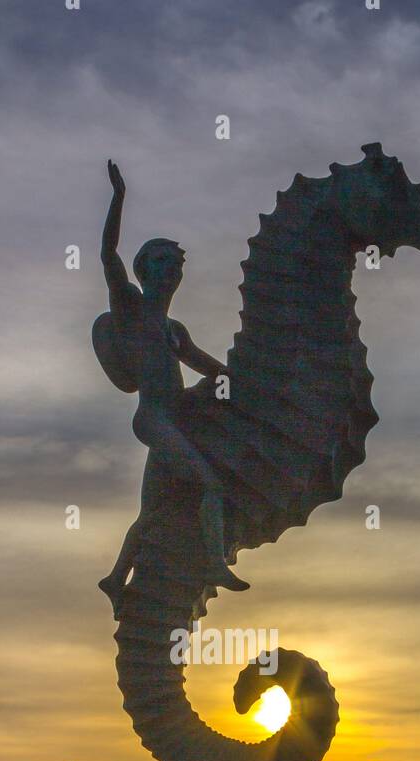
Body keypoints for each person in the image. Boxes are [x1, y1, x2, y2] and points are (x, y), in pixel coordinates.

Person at [94, 160, 248, 606]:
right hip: (154, 419)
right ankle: (215, 563)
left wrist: (251, 379)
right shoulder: (131, 310)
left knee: (155, 512)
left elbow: (212, 369)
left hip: (176, 419)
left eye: (176, 263)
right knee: (211, 484)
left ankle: (115, 577)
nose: (171, 269)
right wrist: (119, 198)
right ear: (144, 270)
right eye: (162, 262)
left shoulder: (174, 329)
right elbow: (108, 258)